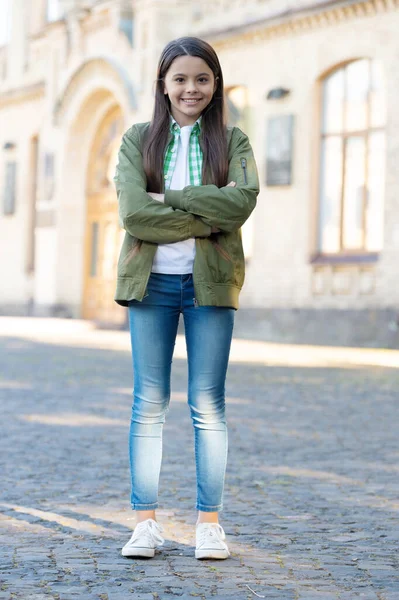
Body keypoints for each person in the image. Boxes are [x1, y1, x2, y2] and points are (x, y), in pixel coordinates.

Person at [114, 36, 259, 560]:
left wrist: (170, 200)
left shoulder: (233, 142)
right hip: (150, 284)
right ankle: (145, 523)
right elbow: (133, 213)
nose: (191, 88)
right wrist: (207, 213)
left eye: (201, 78)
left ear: (215, 83)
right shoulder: (137, 140)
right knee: (149, 404)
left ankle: (209, 525)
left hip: (210, 285)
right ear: (164, 85)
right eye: (180, 79)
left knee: (207, 405)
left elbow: (240, 204)